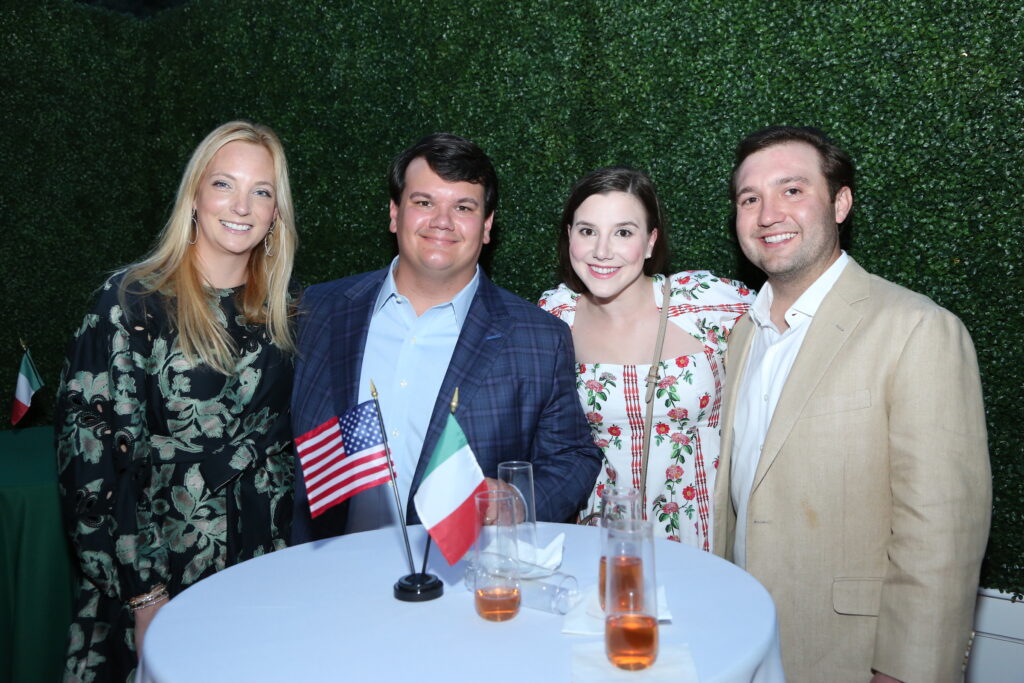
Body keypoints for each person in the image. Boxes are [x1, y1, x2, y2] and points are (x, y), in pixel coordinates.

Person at [712, 126, 991, 682]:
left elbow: (942, 532)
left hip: (851, 654)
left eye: (792, 190)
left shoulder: (918, 330)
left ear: (840, 203)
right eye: (750, 198)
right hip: (744, 641)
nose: (768, 214)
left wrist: (907, 671)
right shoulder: (743, 334)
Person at [56, 121, 298, 682]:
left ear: (275, 214)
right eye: (223, 185)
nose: (241, 205)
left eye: (262, 191)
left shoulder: (285, 316)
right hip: (157, 575)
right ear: (194, 196)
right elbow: (90, 470)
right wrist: (144, 596)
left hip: (262, 580)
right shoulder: (127, 304)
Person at [291, 133, 601, 540]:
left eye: (463, 207)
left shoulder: (539, 339)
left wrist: (516, 499)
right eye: (424, 203)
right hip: (328, 573)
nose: (442, 221)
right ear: (394, 213)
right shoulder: (320, 311)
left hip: (463, 584)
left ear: (486, 226)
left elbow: (573, 458)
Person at [538, 167, 754, 548]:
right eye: (588, 231)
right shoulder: (554, 317)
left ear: (651, 242)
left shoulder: (705, 303)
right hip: (601, 537)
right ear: (569, 235)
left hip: (704, 532)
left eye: (623, 232)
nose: (602, 251)